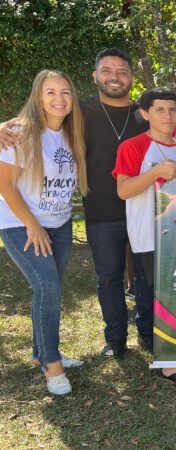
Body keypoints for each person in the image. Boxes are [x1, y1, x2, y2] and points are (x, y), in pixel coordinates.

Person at [0, 48, 150, 359]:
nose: (115, 77)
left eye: (122, 72)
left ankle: (149, 336)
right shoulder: (79, 112)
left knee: (147, 277)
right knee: (109, 278)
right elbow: (33, 120)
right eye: (107, 71)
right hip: (100, 213)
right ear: (95, 76)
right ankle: (116, 340)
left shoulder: (144, 114)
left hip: (143, 210)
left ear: (132, 78)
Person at [0, 70, 88, 395]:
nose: (59, 99)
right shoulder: (20, 132)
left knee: (49, 289)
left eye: (65, 92)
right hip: (20, 224)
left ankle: (43, 351)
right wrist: (32, 225)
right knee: (47, 287)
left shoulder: (70, 133)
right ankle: (52, 366)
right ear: (39, 96)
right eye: (51, 92)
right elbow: (5, 185)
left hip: (60, 223)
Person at [112, 88, 176, 387]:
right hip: (148, 235)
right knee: (151, 294)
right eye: (159, 110)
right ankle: (160, 352)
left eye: (172, 109)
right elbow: (123, 190)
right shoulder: (133, 147)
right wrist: (157, 173)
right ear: (145, 113)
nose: (167, 116)